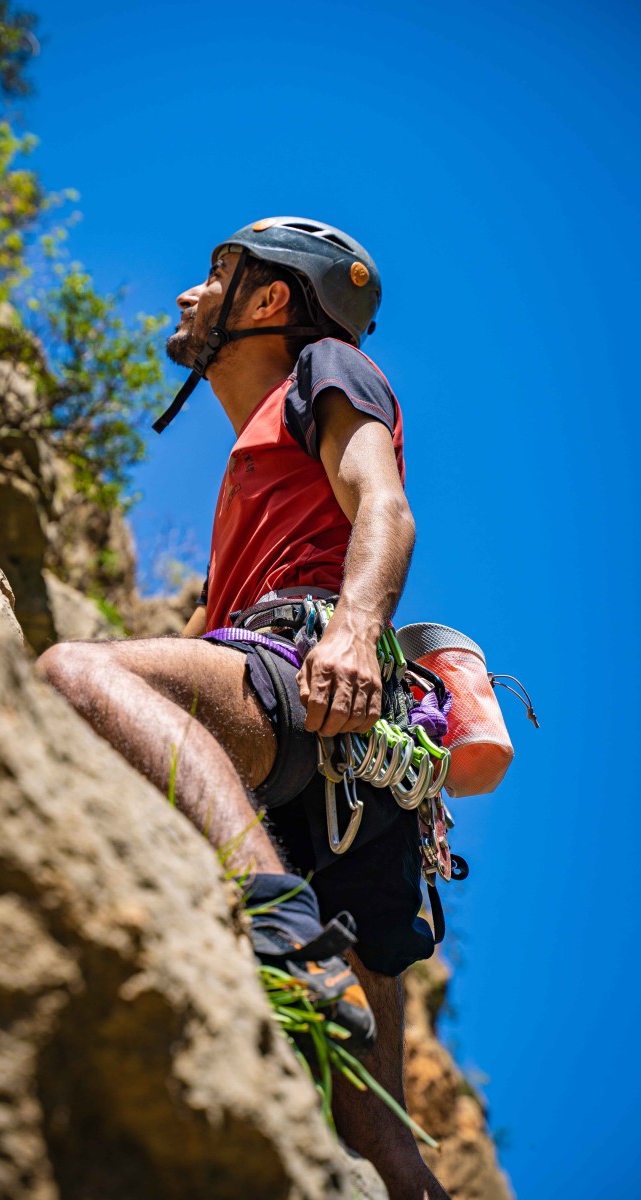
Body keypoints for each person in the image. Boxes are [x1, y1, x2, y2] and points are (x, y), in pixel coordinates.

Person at [38, 217, 449, 1200]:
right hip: (352, 792)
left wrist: (352, 631)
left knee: (73, 672)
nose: (188, 294)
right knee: (382, 1151)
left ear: (270, 302)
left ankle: (278, 922)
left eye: (216, 274)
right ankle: (302, 944)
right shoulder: (259, 471)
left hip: (305, 670)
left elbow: (382, 507)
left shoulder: (329, 375)